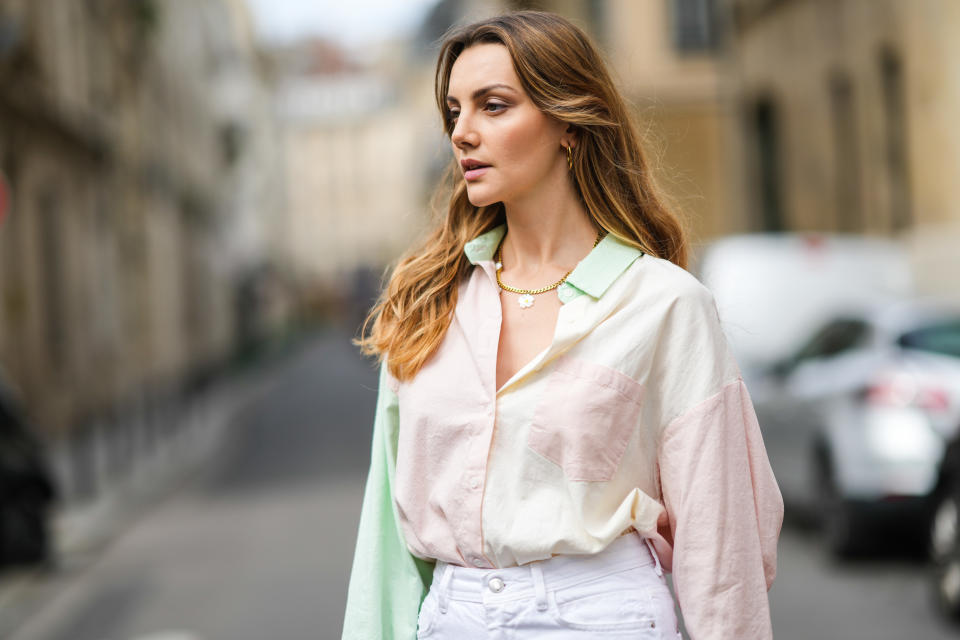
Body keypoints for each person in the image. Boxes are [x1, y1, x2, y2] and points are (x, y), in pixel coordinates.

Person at [343, 10, 783, 640]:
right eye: (454, 111)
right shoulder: (426, 301)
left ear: (568, 125)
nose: (462, 132)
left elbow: (722, 545)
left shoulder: (664, 304)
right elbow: (384, 538)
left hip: (606, 618)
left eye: (493, 106)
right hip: (454, 619)